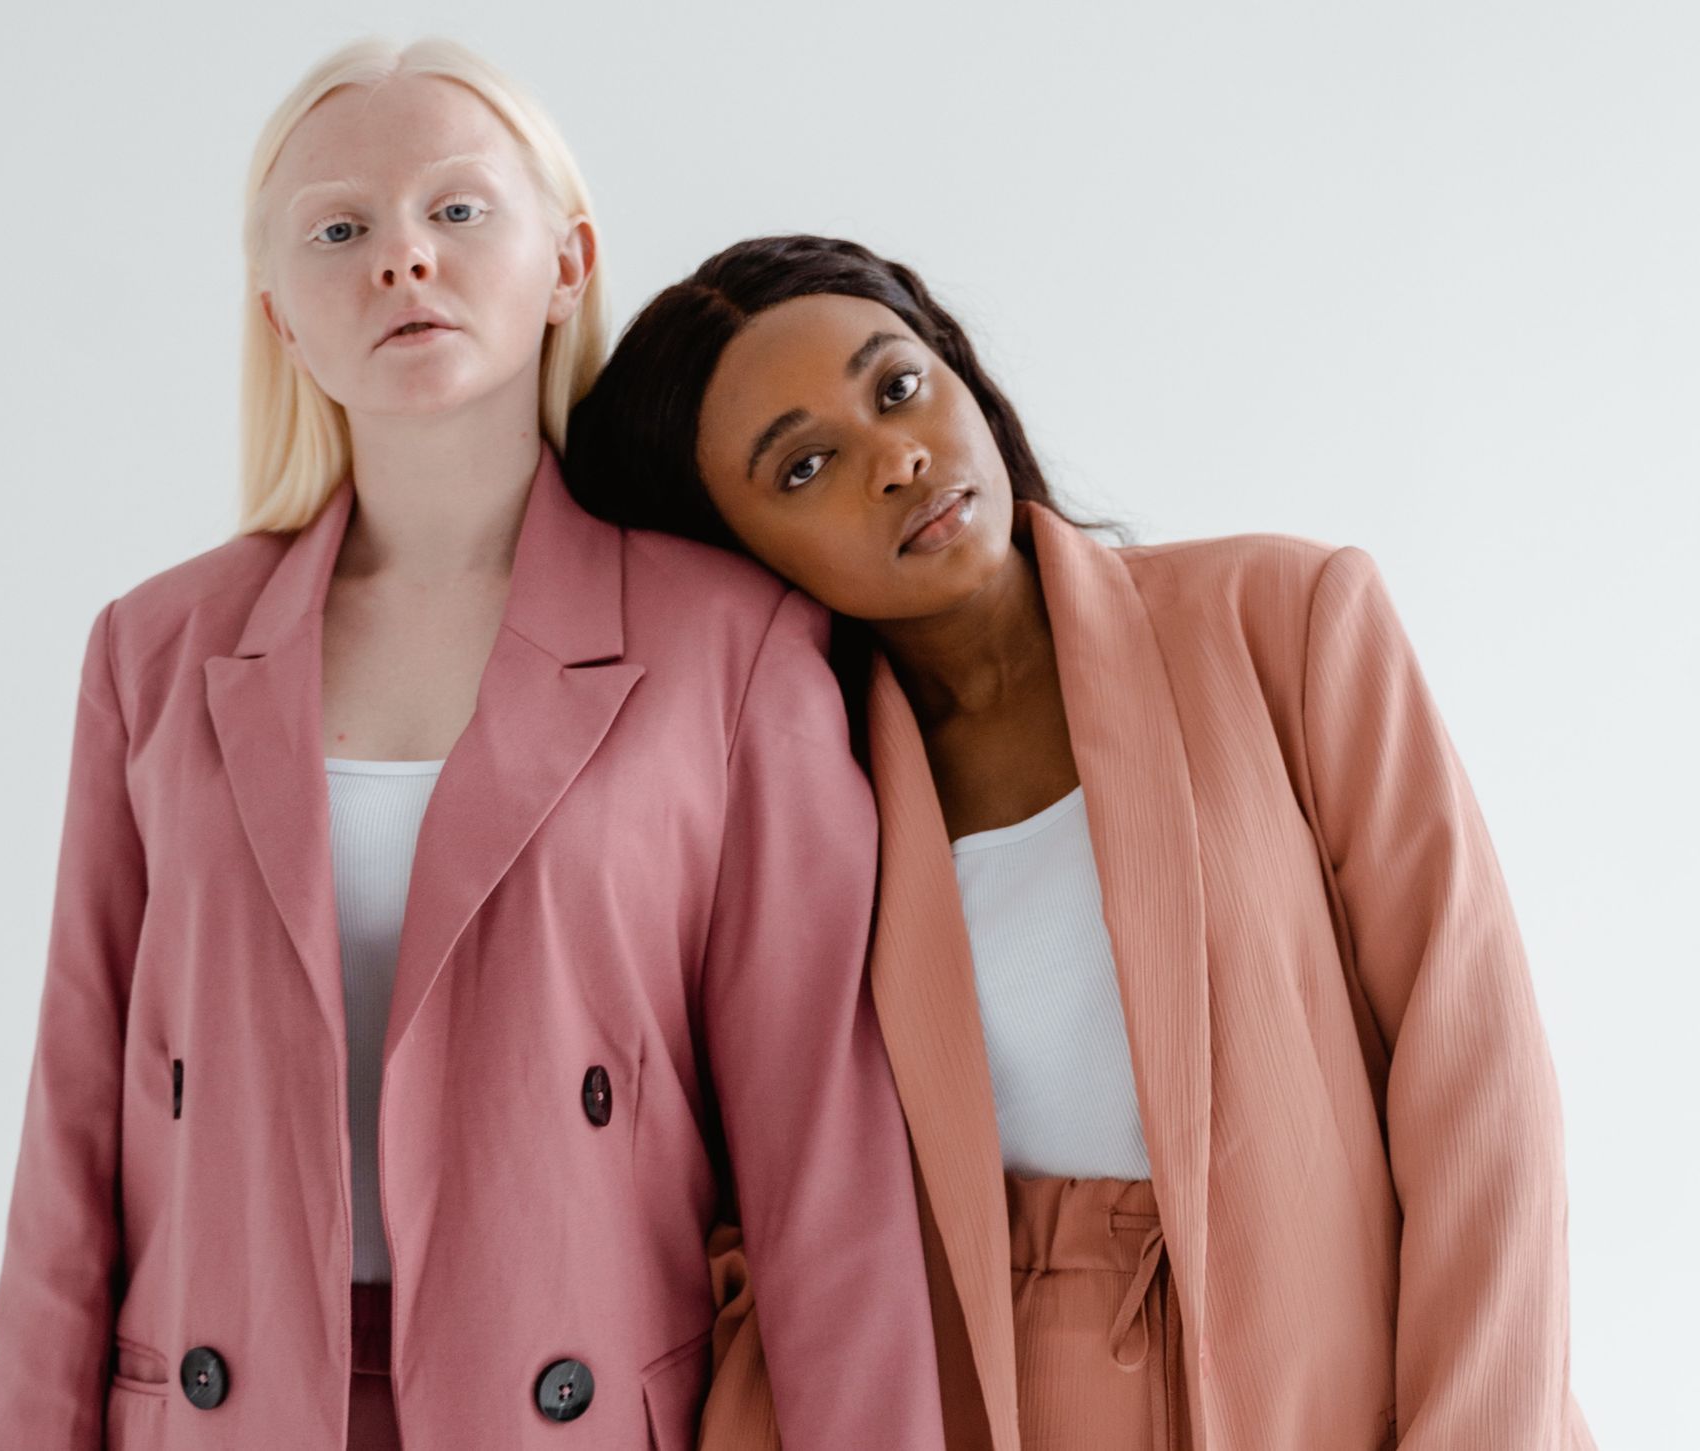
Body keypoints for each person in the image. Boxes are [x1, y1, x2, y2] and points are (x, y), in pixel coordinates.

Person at [0, 49, 943, 1451]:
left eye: (461, 210)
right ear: (281, 318)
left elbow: (826, 1176)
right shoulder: (157, 650)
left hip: (581, 1406)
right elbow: (71, 1141)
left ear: (569, 259)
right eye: (340, 228)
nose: (402, 260)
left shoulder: (733, 647)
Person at [562, 233, 1600, 1451]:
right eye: (803, 467)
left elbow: (1474, 1076)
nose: (896, 457)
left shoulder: (1285, 622)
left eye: (899, 387)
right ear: (729, 555)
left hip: (1341, 1385)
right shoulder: (783, 823)